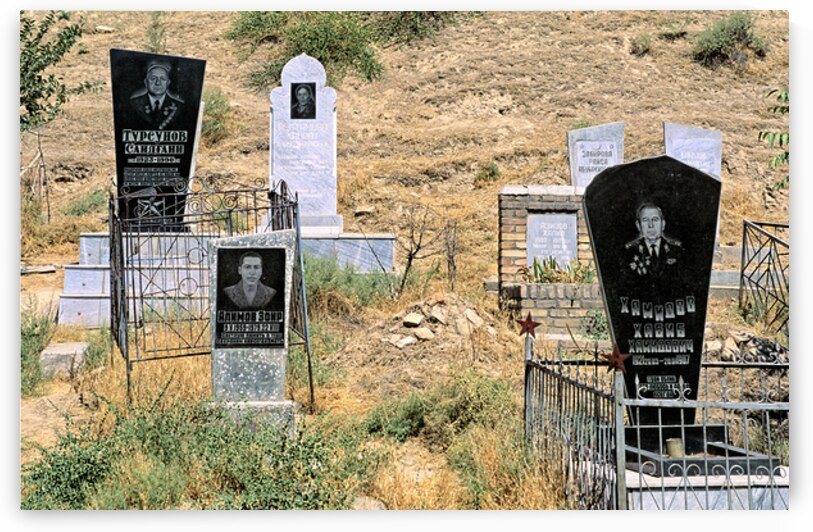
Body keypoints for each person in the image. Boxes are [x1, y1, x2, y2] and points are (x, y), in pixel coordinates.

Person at [624, 202, 682, 280]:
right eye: (645, 220)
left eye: (655, 219)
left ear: (663, 224)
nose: (651, 225)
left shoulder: (676, 250)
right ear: (638, 226)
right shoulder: (630, 252)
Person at [129, 59, 185, 130]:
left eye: (162, 79)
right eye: (153, 78)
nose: (158, 83)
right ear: (146, 82)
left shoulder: (179, 107)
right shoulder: (133, 104)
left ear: (168, 83)